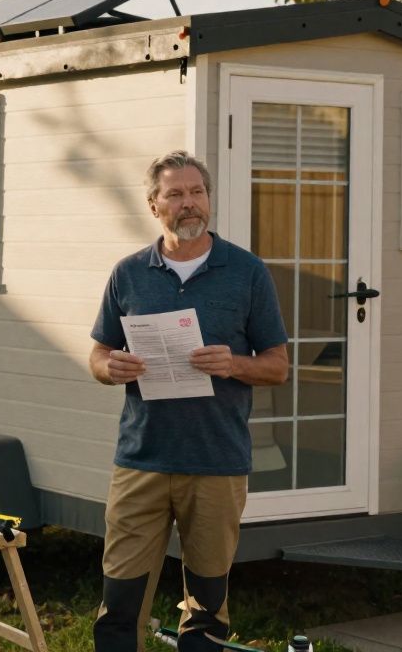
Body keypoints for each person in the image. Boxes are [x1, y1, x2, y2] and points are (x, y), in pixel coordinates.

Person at [89, 150, 289, 652]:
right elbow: (98, 353)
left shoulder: (246, 272)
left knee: (205, 614)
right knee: (119, 607)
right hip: (142, 459)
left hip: (216, 462)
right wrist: (109, 368)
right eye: (175, 194)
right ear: (154, 205)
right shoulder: (129, 273)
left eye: (197, 192)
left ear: (209, 199)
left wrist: (234, 365)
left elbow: (277, 366)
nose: (189, 203)